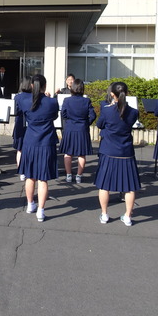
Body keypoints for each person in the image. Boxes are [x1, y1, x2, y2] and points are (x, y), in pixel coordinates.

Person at [94, 81, 140, 226]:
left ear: (112, 94)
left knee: (104, 185)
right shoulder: (133, 112)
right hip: (126, 151)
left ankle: (104, 214)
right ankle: (127, 216)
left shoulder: (107, 110)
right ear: (126, 93)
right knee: (129, 186)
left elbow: (99, 124)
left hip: (108, 150)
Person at [17, 74, 59, 222]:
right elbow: (54, 117)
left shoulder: (24, 101)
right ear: (44, 86)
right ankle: (41, 210)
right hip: (46, 142)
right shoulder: (52, 102)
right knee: (43, 178)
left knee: (30, 176)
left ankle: (30, 204)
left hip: (29, 141)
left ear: (32, 86)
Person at [60, 78, 96, 184]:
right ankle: (79, 176)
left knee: (68, 153)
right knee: (81, 154)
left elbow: (63, 115)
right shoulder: (86, 101)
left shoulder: (67, 100)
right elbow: (93, 115)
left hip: (70, 128)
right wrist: (86, 123)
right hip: (82, 129)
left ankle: (68, 175)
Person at [12, 77, 32, 179]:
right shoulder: (34, 96)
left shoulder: (17, 97)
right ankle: (29, 170)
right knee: (30, 148)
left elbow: (15, 111)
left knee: (20, 149)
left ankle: (21, 172)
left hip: (19, 123)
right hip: (31, 124)